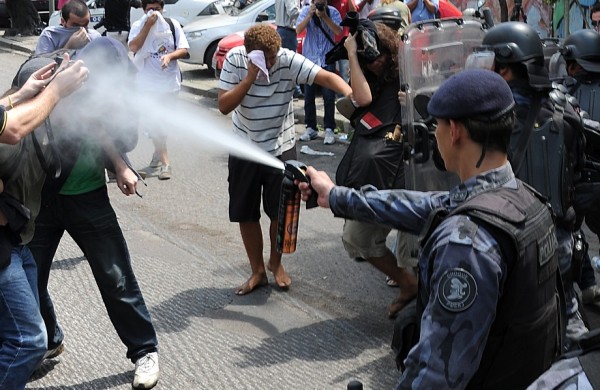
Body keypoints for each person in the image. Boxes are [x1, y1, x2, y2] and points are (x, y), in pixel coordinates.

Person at [298, 68, 561, 389]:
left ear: (454, 132)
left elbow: (436, 375)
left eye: (435, 125)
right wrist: (335, 196)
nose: (432, 134)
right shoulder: (524, 200)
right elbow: (421, 205)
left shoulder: (466, 245)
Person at [27, 38, 160, 390]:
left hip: (88, 198)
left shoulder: (102, 93)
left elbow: (102, 129)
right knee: (29, 280)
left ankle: (145, 351)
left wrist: (120, 166)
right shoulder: (45, 75)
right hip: (42, 198)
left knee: (115, 277)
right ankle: (49, 338)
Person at [217, 23, 352, 295]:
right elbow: (223, 106)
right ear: (249, 53)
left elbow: (326, 77)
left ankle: (275, 264)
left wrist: (351, 95)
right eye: (264, 58)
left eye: (273, 56)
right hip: (244, 147)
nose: (271, 62)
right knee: (246, 213)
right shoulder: (235, 60)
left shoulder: (286, 60)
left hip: (281, 147)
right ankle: (257, 271)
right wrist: (250, 77)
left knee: (282, 212)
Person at [476, 21, 587, 350]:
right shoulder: (566, 110)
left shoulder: (485, 115)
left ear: (507, 69)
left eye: (490, 62)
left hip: (509, 241)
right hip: (561, 239)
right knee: (563, 303)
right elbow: (578, 172)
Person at [0, 56, 88, 390]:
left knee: (19, 335)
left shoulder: (52, 132)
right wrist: (52, 94)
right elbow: (12, 128)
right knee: (29, 341)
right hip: (3, 245)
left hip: (16, 242)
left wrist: (24, 93)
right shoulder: (17, 140)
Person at [338, 20, 417, 318]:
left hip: (413, 177)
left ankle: (418, 303)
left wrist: (416, 101)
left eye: (377, 57)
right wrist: (352, 56)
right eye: (366, 60)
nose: (374, 65)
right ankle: (407, 284)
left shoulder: (414, 68)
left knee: (415, 251)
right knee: (356, 237)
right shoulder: (370, 77)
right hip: (377, 177)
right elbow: (362, 99)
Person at [559, 29, 600, 305]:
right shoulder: (563, 91)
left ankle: (583, 288)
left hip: (574, 181)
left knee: (568, 233)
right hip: (585, 180)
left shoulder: (562, 93)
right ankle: (587, 286)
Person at [128, 0, 190, 180]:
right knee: (155, 122)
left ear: (163, 9)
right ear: (143, 10)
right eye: (149, 10)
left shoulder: (172, 24)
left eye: (156, 9)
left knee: (164, 122)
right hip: (147, 85)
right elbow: (133, 47)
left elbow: (184, 49)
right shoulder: (138, 25)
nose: (153, 13)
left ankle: (157, 152)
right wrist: (147, 26)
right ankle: (165, 163)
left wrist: (170, 56)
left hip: (170, 83)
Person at [296, 0, 342, 145]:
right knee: (309, 96)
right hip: (310, 58)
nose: (320, 3)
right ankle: (311, 127)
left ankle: (329, 128)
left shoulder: (333, 12)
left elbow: (338, 31)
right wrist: (309, 15)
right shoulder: (305, 11)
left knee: (329, 96)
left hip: (327, 58)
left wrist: (325, 17)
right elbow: (297, 30)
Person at [35, 0, 102, 55]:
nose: (82, 30)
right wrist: (69, 47)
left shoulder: (95, 37)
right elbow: (41, 65)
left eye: (85, 24)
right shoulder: (50, 35)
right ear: (63, 21)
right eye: (75, 25)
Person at [275, 0, 304, 98]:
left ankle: (293, 89)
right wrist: (307, 11)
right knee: (290, 62)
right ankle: (295, 91)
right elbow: (292, 12)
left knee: (285, 62)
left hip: (283, 30)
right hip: (287, 31)